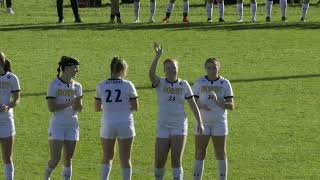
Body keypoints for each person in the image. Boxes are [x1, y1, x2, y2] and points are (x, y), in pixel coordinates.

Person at [149, 42, 204, 180]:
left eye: (173, 67)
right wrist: (157, 56)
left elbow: (192, 104)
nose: (171, 70)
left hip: (179, 126)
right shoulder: (160, 83)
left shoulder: (184, 84)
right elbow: (151, 74)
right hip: (163, 126)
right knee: (159, 161)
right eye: (168, 68)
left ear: (177, 69)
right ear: (164, 71)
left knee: (176, 160)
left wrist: (200, 122)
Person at [95, 56, 139, 180]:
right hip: (126, 124)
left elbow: (97, 108)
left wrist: (111, 108)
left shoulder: (101, 85)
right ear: (123, 69)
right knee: (125, 158)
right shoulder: (128, 85)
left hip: (108, 124)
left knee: (107, 156)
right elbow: (136, 107)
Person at [192, 58, 234, 180]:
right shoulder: (199, 82)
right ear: (205, 68)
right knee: (200, 152)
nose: (211, 70)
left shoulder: (225, 83)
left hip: (219, 123)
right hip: (202, 122)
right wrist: (200, 105)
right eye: (209, 67)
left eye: (214, 67)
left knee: (220, 153)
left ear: (218, 68)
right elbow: (192, 101)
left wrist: (218, 101)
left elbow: (231, 105)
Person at [44, 56, 83, 180]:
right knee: (55, 159)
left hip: (72, 125)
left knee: (68, 159)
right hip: (57, 125)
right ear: (66, 68)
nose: (77, 71)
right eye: (75, 68)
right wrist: (70, 102)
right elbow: (51, 107)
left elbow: (79, 109)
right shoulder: (54, 84)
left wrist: (78, 103)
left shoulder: (77, 86)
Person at [0, 52, 20, 180]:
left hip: (7, 120)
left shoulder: (12, 78)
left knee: (7, 157)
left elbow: (17, 99)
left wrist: (8, 106)